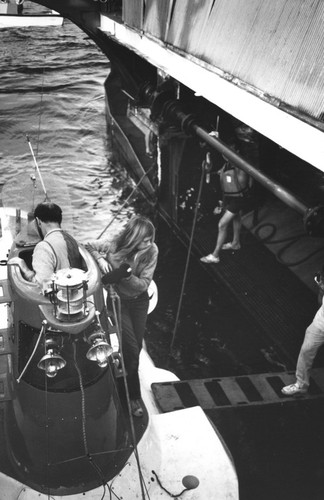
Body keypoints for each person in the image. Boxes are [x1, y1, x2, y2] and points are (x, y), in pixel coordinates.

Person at [86, 215, 158, 417]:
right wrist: (100, 259)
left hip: (139, 302)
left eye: (151, 238)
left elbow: (143, 284)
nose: (149, 243)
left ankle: (126, 373)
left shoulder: (152, 251)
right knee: (133, 348)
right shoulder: (115, 244)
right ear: (134, 238)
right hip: (118, 301)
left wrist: (125, 274)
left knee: (132, 347)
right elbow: (87, 246)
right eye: (144, 240)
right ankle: (134, 396)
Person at [9, 202, 83, 290]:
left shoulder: (43, 247)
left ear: (38, 221)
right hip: (76, 292)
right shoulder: (71, 239)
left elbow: (42, 285)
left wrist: (24, 267)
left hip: (58, 299)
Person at [200, 149, 251, 264]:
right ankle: (235, 243)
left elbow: (234, 160)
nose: (225, 156)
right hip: (232, 197)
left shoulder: (240, 167)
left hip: (239, 199)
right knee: (236, 217)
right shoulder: (227, 165)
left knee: (222, 224)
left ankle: (215, 255)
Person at [282, 268, 324, 396]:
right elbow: (320, 295)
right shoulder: (321, 281)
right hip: (320, 324)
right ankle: (301, 385)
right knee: (306, 352)